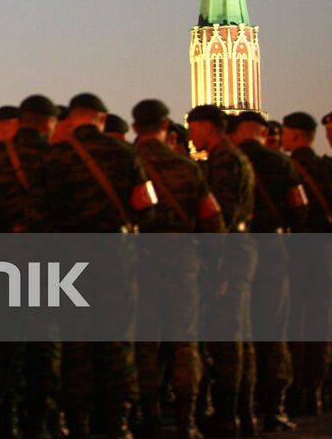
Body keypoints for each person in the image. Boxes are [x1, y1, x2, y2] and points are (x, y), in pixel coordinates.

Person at [30, 93, 151, 439]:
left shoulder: (53, 158)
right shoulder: (125, 153)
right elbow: (147, 208)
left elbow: (39, 217)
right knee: (116, 340)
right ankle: (118, 421)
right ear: (101, 117)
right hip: (116, 258)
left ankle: (79, 421)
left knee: (76, 343)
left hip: (71, 260)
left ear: (73, 118)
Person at [0, 95, 59, 439]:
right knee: (42, 345)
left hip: (0, 259)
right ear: (48, 122)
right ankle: (38, 421)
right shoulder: (57, 158)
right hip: (48, 261)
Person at [129, 99, 223, 439]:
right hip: (182, 260)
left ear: (136, 126)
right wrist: (215, 267)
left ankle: (150, 418)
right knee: (185, 342)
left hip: (141, 261)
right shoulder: (188, 167)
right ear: (166, 125)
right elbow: (212, 220)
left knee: (146, 344)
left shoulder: (130, 162)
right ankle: (187, 421)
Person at [186, 105, 256, 439]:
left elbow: (221, 218)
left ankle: (229, 415)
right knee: (237, 334)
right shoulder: (228, 157)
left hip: (229, 253)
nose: (190, 135)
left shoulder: (224, 160)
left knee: (228, 336)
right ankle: (240, 413)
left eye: (193, 128)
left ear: (208, 127)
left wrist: (215, 265)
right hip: (237, 249)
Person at [233, 110, 305, 432]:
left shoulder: (225, 161)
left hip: (235, 253)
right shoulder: (280, 163)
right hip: (273, 253)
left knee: (240, 332)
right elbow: (299, 208)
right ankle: (274, 409)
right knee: (274, 328)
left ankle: (242, 410)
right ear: (263, 131)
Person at [280, 111, 332, 415]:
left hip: (297, 255)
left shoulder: (287, 169)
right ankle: (317, 391)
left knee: (294, 324)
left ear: (296, 135)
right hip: (324, 252)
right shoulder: (326, 169)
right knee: (319, 322)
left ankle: (297, 391)